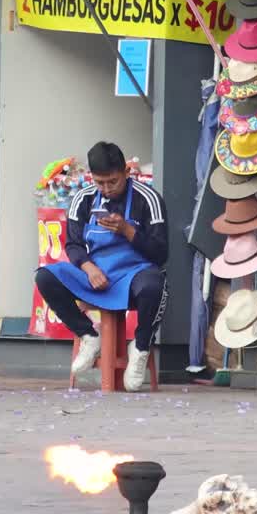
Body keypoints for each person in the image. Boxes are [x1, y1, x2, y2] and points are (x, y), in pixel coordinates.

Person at [35, 142, 169, 391]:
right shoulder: (82, 199)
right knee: (46, 277)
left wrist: (128, 231)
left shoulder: (148, 199)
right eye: (100, 183)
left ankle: (139, 348)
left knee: (156, 284)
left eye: (113, 182)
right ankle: (88, 335)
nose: (107, 189)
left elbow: (161, 253)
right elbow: (73, 245)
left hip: (134, 276)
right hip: (96, 276)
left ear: (126, 173)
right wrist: (88, 268)